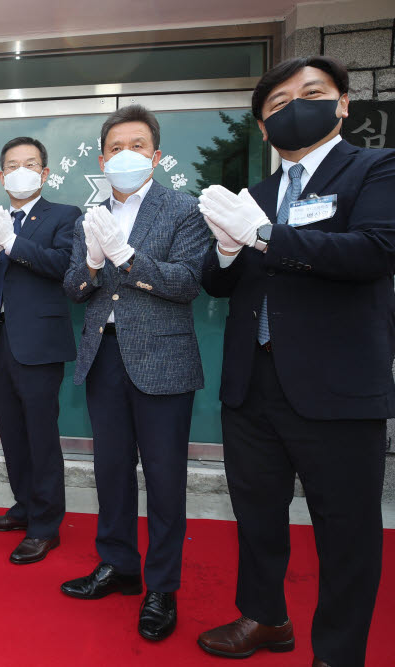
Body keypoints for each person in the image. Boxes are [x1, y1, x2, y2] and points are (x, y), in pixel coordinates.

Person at [196, 56, 395, 667]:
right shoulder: (254, 194)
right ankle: (265, 617)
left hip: (334, 386)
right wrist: (229, 249)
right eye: (277, 104)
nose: (294, 107)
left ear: (341, 105)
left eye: (311, 93)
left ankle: (336, 653)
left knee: (346, 532)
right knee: (256, 513)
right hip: (252, 386)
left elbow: (375, 250)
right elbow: (217, 282)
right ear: (262, 127)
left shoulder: (375, 168)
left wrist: (265, 237)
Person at [60, 105, 208, 641]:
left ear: (156, 155)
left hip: (163, 360)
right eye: (117, 147)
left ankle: (162, 586)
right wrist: (94, 264)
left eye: (138, 145)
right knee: (112, 470)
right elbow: (75, 289)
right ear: (102, 158)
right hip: (105, 357)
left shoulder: (182, 210)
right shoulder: (89, 214)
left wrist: (127, 258)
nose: (127, 154)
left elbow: (188, 282)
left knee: (166, 479)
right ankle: (118, 565)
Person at [0, 136, 79, 565]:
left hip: (39, 345)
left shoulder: (64, 216)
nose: (21, 170)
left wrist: (13, 244)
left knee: (40, 436)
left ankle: (46, 525)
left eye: (30, 164)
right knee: (12, 435)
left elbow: (63, 267)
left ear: (44, 173)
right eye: (12, 164)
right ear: (1, 175)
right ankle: (24, 505)